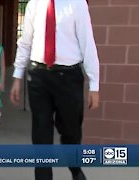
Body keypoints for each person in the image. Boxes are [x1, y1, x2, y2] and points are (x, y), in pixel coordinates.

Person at [10, 0, 99, 180]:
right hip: (38, 76)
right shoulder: (34, 4)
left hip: (69, 77)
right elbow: (25, 41)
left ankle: (75, 169)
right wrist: (17, 76)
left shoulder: (77, 4)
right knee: (41, 133)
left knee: (71, 131)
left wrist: (94, 84)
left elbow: (87, 42)